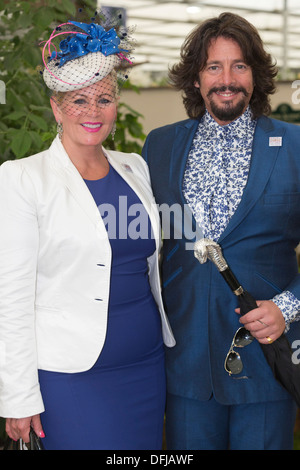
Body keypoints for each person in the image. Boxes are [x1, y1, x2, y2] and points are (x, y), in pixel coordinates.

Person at [0, 19, 175, 450]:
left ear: (116, 104)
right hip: (73, 376)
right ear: (57, 108)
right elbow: (12, 295)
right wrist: (18, 396)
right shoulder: (24, 178)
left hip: (147, 362)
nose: (92, 111)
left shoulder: (135, 167)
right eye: (78, 101)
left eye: (103, 99)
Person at [142, 12, 300, 450]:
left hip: (265, 357)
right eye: (214, 67)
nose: (226, 79)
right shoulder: (160, 145)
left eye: (239, 66)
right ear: (196, 78)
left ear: (256, 76)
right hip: (185, 361)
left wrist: (288, 306)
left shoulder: (294, 146)